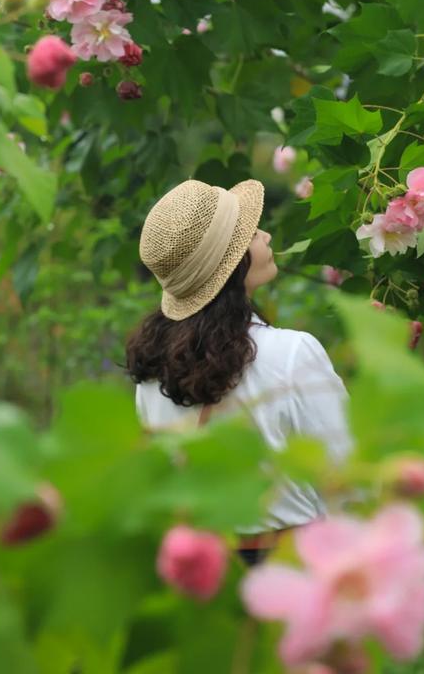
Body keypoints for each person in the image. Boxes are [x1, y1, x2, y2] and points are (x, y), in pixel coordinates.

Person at [126, 178, 353, 562]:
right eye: (248, 233)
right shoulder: (292, 353)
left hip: (208, 574)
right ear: (229, 266)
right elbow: (346, 476)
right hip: (292, 568)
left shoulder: (153, 372)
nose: (264, 234)